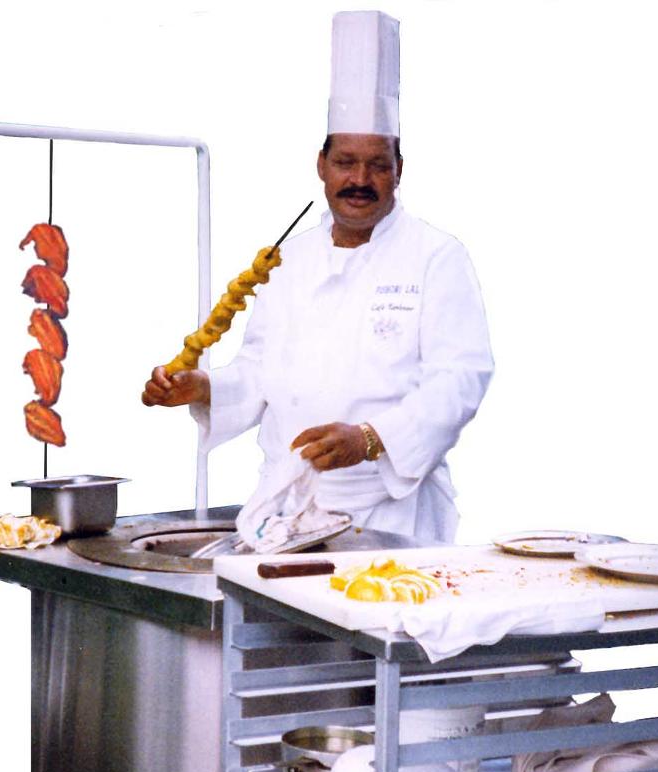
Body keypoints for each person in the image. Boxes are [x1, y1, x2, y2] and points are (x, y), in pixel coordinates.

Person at [141, 11, 493, 543]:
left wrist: (371, 439)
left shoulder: (437, 256)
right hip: (284, 508)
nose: (360, 179)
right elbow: (260, 370)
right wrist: (205, 388)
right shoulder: (290, 258)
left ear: (400, 170)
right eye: (346, 162)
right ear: (321, 165)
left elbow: (460, 380)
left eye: (378, 165)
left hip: (388, 513)